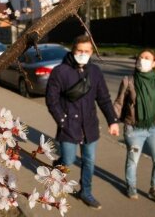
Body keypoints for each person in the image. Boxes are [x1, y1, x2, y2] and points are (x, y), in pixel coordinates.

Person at [46, 35, 119, 210]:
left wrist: (112, 121)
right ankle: (57, 169)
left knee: (89, 161)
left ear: (91, 52)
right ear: (73, 50)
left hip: (90, 126)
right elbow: (51, 100)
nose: (83, 54)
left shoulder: (94, 72)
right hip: (68, 126)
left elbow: (104, 99)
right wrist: (62, 121)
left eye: (86, 51)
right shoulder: (60, 71)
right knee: (69, 160)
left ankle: (85, 192)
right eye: (79, 51)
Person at [114, 49, 155, 205]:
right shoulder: (128, 80)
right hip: (133, 128)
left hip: (154, 127)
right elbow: (119, 103)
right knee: (133, 160)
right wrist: (113, 121)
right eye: (140, 57)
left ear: (154, 63)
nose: (142, 60)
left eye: (147, 58)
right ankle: (131, 186)